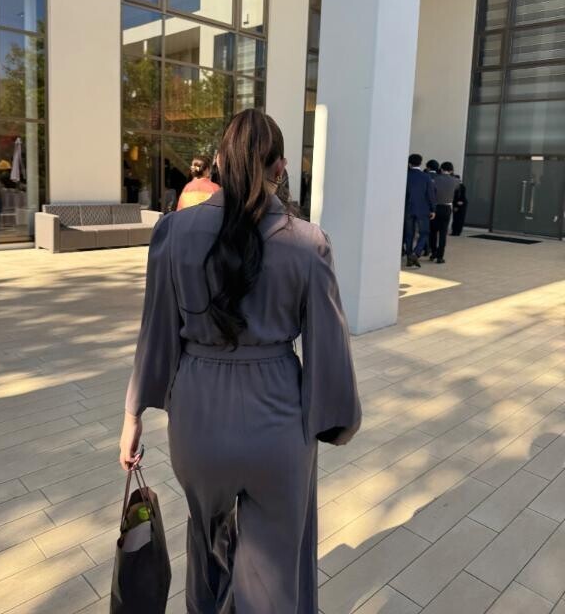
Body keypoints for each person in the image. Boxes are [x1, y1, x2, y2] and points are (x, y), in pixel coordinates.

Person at [120, 109, 361, 614]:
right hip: (278, 414)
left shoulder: (173, 232)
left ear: (218, 162)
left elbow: (156, 329)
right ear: (280, 168)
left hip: (198, 415)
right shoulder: (308, 243)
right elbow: (328, 345)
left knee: (206, 542)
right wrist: (336, 419)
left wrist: (133, 415)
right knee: (273, 563)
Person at [404, 154, 436, 268]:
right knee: (424, 232)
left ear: (409, 163)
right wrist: (433, 209)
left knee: (409, 234)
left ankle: (409, 256)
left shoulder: (405, 175)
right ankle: (416, 253)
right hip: (423, 209)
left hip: (408, 208)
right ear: (421, 163)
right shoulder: (426, 177)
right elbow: (430, 194)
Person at [429, 161, 460, 263]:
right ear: (451, 170)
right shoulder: (456, 181)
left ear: (441, 169)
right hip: (447, 208)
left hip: (435, 207)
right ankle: (440, 257)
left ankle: (433, 253)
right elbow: (457, 192)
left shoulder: (434, 179)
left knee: (433, 232)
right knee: (443, 233)